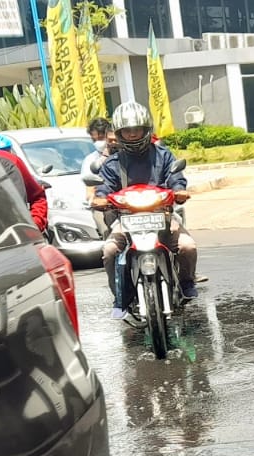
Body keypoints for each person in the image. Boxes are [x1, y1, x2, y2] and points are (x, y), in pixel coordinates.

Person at [92, 101, 198, 318]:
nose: (132, 135)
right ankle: (120, 297)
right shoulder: (113, 163)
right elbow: (104, 187)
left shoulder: (163, 155)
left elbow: (176, 177)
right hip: (126, 219)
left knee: (187, 246)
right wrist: (100, 198)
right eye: (127, 131)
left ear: (146, 129)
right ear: (120, 133)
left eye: (136, 129)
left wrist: (179, 190)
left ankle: (187, 282)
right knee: (110, 251)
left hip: (163, 216)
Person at [0, 134, 49, 232]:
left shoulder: (13, 161)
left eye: (7, 149)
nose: (4, 153)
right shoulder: (12, 160)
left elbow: (37, 196)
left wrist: (34, 226)